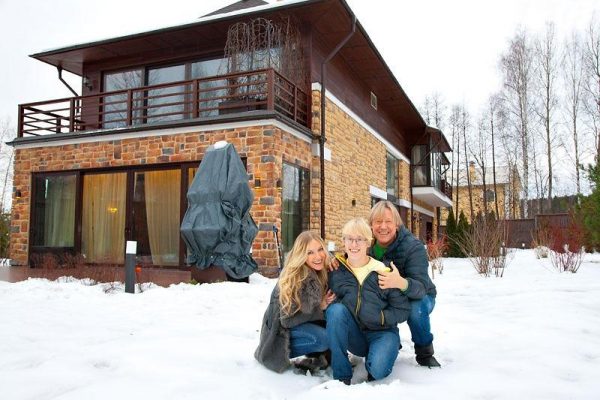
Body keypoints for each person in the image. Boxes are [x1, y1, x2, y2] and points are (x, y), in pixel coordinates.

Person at [327, 218, 411, 384]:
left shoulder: (382, 270)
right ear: (343, 241)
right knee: (335, 311)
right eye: (349, 239)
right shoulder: (336, 271)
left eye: (360, 239)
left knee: (378, 370)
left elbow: (402, 309)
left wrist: (381, 317)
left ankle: (388, 350)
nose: (354, 244)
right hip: (356, 335)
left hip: (382, 333)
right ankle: (341, 376)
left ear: (368, 242)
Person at [370, 200, 441, 367]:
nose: (383, 226)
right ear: (371, 225)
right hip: (386, 296)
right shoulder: (367, 246)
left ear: (396, 224)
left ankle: (424, 352)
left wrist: (400, 282)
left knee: (415, 309)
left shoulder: (413, 247)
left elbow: (421, 288)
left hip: (418, 295)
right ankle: (390, 342)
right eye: (378, 222)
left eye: (388, 221)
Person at [255, 231, 336, 373]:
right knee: (324, 338)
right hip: (278, 338)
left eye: (320, 249)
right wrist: (320, 307)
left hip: (297, 329)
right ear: (301, 255)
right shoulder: (297, 277)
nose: (318, 256)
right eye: (310, 252)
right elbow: (287, 320)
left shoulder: (319, 271)